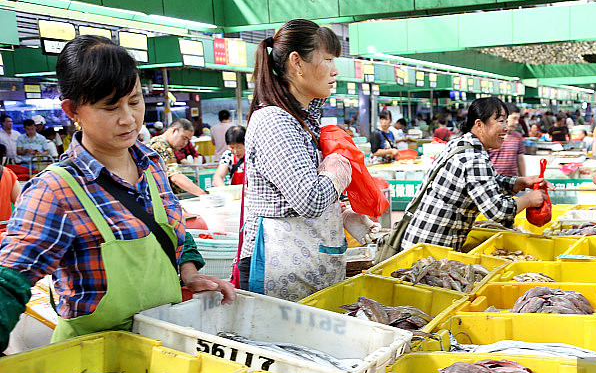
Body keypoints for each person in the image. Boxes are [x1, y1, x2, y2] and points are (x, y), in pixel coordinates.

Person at [0, 35, 234, 351]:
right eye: (110, 106)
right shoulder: (55, 191)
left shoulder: (151, 164)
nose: (128, 119)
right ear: (72, 110)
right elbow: (10, 280)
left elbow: (172, 230)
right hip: (93, 361)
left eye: (134, 101)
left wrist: (190, 273)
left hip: (163, 344)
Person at [237, 19, 380, 302]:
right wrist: (339, 171)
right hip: (276, 266)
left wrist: (342, 215)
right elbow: (309, 199)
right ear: (297, 62)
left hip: (304, 262)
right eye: (327, 59)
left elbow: (295, 194)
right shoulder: (274, 121)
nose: (335, 70)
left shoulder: (301, 121)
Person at [401, 97, 551, 251]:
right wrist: (528, 200)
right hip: (432, 247)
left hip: (420, 240)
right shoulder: (473, 158)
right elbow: (497, 211)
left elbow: (490, 182)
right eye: (500, 121)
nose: (506, 128)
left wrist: (522, 182)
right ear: (479, 124)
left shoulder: (461, 144)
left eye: (506, 121)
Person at [148, 119, 206, 196]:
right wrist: (203, 195)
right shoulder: (159, 146)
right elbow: (175, 177)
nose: (185, 143)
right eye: (184, 138)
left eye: (188, 140)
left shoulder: (162, 144)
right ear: (174, 130)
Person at [488, 103, 526, 177]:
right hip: (494, 180)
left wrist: (524, 179)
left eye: (518, 119)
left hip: (512, 181)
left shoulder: (517, 136)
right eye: (514, 118)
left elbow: (520, 159)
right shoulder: (491, 137)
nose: (517, 122)